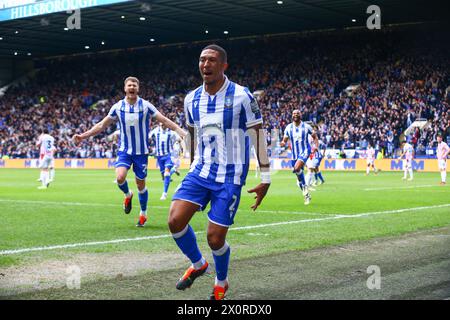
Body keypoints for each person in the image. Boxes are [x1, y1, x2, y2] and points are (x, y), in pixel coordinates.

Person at [168, 44, 271, 300]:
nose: (206, 64)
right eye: (202, 60)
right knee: (175, 220)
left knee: (215, 239)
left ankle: (221, 282)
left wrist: (265, 177)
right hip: (200, 171)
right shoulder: (191, 98)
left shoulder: (242, 96)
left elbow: (257, 134)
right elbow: (191, 132)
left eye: (212, 60)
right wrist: (191, 161)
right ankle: (198, 263)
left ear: (224, 65)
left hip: (231, 176)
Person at [73, 76, 186, 227]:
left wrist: (181, 132)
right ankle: (128, 194)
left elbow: (164, 120)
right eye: (129, 85)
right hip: (125, 151)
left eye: (134, 85)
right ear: (125, 88)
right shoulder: (118, 107)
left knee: (141, 185)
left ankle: (143, 214)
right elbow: (101, 125)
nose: (132, 87)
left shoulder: (146, 106)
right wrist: (83, 136)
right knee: (120, 177)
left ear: (138, 89)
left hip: (141, 153)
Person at [280, 111, 318, 205]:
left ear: (300, 115)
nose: (295, 115)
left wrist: (315, 146)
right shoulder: (289, 127)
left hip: (305, 150)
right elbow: (284, 139)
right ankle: (306, 194)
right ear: (292, 116)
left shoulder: (306, 126)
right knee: (299, 178)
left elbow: (315, 137)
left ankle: (305, 187)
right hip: (294, 154)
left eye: (297, 113)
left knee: (297, 168)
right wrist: (283, 143)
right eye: (293, 114)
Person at [149, 122, 181, 200]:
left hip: (168, 156)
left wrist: (177, 142)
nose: (163, 125)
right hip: (159, 157)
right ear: (159, 124)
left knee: (166, 174)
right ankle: (174, 170)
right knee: (164, 176)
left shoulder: (171, 132)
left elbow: (179, 138)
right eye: (161, 124)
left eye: (164, 124)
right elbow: (149, 137)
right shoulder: (156, 131)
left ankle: (164, 194)